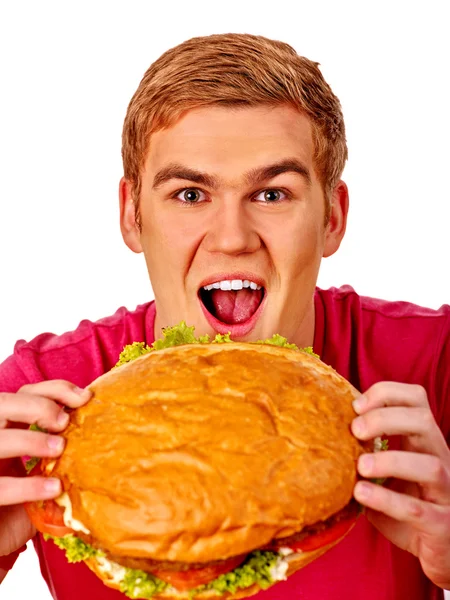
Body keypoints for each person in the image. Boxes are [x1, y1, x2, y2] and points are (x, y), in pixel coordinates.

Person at [0, 32, 449, 600]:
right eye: (190, 195)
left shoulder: (432, 366)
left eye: (272, 194)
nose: (232, 238)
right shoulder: (37, 405)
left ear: (332, 218)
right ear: (132, 217)